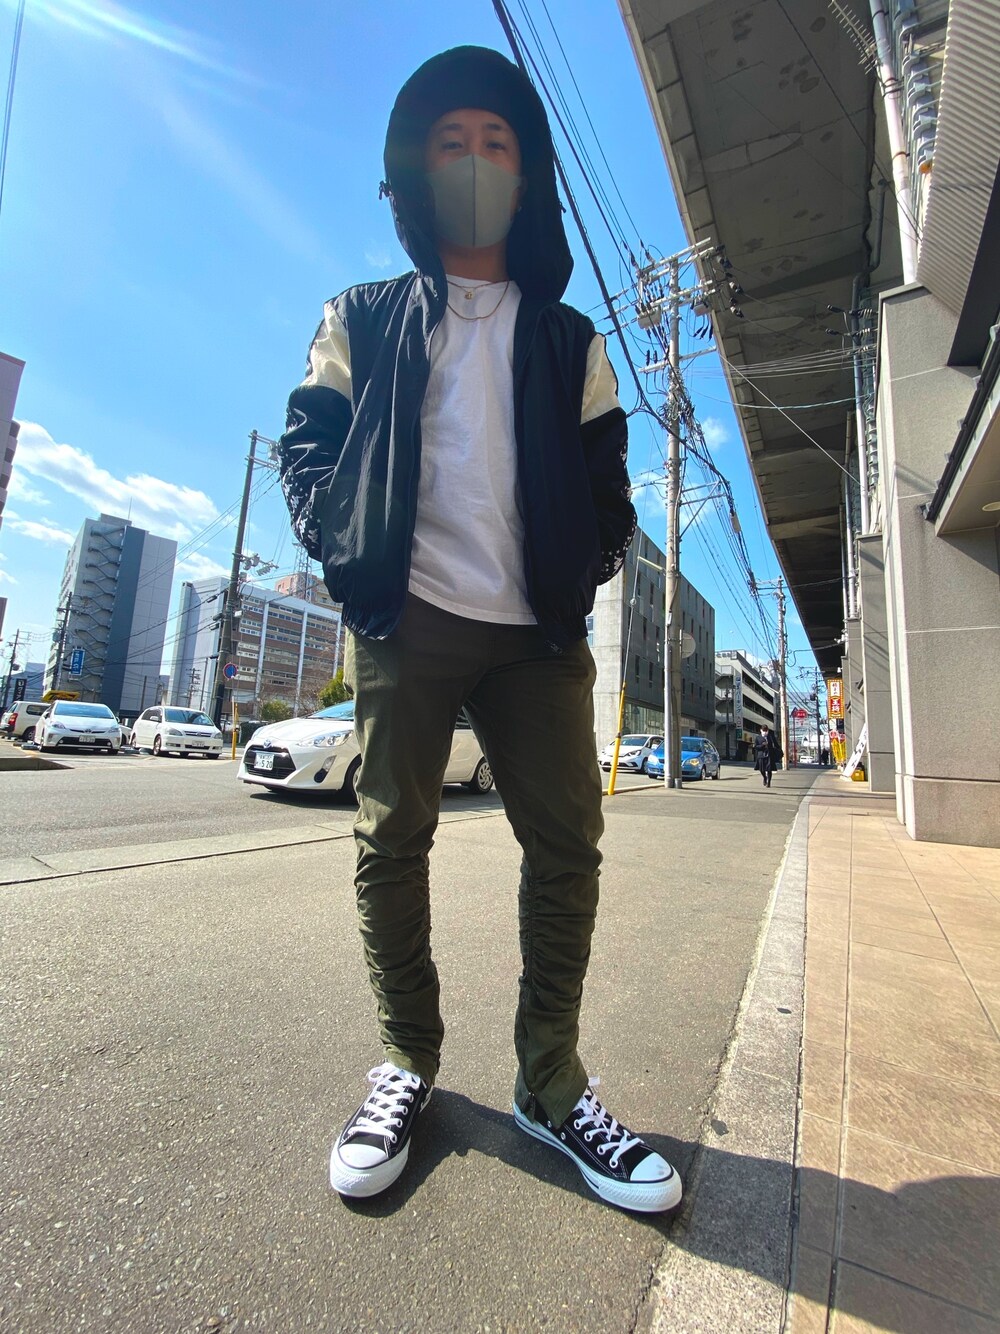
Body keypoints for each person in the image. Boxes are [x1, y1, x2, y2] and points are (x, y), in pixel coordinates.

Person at [277, 45, 681, 1215]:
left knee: (567, 848)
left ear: (525, 175)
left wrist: (584, 565)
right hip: (406, 616)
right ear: (414, 170)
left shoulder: (570, 339)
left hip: (535, 633)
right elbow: (308, 442)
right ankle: (406, 1059)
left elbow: (608, 481)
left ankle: (548, 1081)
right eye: (449, 142)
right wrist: (349, 554)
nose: (471, 159)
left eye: (493, 143)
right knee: (391, 835)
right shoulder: (359, 315)